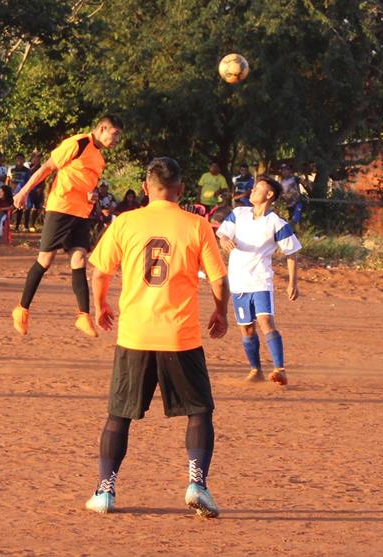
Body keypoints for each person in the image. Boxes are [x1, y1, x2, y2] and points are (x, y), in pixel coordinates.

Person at [85, 157, 228, 517]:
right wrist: (220, 311)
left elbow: (100, 273)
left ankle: (105, 490)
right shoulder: (197, 225)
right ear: (180, 190)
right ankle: (197, 483)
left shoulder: (126, 222)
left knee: (119, 415)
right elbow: (220, 280)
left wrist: (100, 307)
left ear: (146, 188)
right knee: (199, 411)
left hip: (135, 334)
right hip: (180, 335)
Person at [10, 114, 123, 338]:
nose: (117, 140)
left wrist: (92, 197)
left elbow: (87, 186)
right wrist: (24, 192)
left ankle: (83, 316)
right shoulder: (77, 143)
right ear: (102, 128)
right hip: (61, 208)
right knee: (46, 259)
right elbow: (46, 168)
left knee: (79, 259)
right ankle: (21, 310)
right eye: (115, 134)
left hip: (81, 212)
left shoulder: (100, 159)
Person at [216, 175, 301, 386]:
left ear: (270, 194)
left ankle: (280, 369)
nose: (252, 190)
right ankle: (256, 370)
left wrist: (293, 282)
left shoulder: (276, 223)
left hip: (261, 281)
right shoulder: (239, 213)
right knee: (246, 328)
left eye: (258, 187)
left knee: (265, 322)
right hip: (238, 281)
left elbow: (292, 252)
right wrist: (225, 239)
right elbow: (222, 234)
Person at [7, 154, 32, 231]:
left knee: (20, 209)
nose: (19, 161)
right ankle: (7, 225)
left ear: (24, 160)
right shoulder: (11, 169)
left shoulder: (27, 170)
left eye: (21, 159)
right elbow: (8, 180)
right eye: (18, 159)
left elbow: (29, 181)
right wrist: (7, 190)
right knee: (10, 208)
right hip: (12, 191)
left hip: (21, 192)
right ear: (16, 160)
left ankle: (17, 226)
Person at [25, 151, 46, 231]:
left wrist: (42, 188)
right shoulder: (28, 166)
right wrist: (35, 166)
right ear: (33, 158)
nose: (38, 159)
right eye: (36, 157)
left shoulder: (42, 167)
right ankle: (25, 225)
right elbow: (27, 176)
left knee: (37, 208)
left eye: (39, 157)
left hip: (39, 190)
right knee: (28, 207)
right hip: (30, 190)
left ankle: (32, 225)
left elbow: (44, 178)